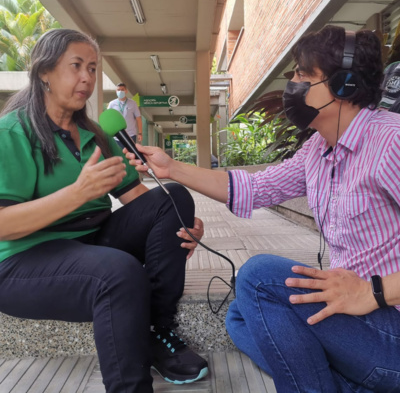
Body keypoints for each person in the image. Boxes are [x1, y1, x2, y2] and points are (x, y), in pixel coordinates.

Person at [125, 25, 400, 392]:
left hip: (389, 326)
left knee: (258, 276)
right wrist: (171, 168)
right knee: (241, 315)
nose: (293, 85)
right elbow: (253, 187)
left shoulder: (391, 141)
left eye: (304, 74)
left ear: (344, 85)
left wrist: (373, 292)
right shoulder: (317, 150)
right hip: (354, 316)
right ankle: (347, 382)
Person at [0, 28, 209, 393]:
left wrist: (180, 225)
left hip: (90, 239)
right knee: (118, 272)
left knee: (172, 198)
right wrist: (77, 192)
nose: (87, 78)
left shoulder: (98, 136)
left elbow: (141, 203)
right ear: (44, 72)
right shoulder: (13, 132)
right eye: (76, 66)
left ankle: (156, 331)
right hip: (24, 259)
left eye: (93, 68)